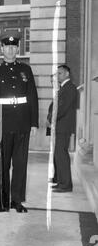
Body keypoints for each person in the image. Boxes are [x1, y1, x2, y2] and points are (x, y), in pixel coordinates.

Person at [0, 30, 39, 213]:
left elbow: (32, 96)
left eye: (13, 47)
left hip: (22, 123)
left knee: (20, 163)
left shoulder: (26, 69)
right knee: (3, 164)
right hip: (3, 123)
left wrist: (34, 123)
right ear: (1, 48)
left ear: (17, 49)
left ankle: (17, 200)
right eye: (7, 47)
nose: (10, 50)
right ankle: (3, 200)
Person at [46, 65, 77, 193]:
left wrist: (51, 119)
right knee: (58, 155)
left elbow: (62, 108)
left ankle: (66, 185)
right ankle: (60, 181)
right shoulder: (64, 88)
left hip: (63, 126)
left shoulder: (69, 88)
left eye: (59, 73)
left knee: (61, 155)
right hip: (59, 126)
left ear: (67, 74)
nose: (56, 76)